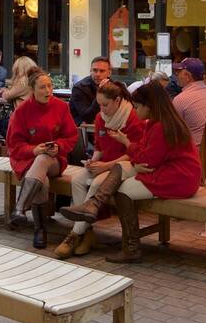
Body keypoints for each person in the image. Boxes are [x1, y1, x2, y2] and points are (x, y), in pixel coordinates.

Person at [59, 82, 201, 263]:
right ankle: (94, 208)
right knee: (119, 173)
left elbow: (146, 160)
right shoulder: (158, 122)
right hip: (169, 172)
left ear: (149, 106)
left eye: (138, 106)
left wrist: (127, 145)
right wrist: (134, 157)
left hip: (177, 178)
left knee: (123, 189)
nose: (135, 110)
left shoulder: (160, 126)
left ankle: (130, 247)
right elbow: (143, 155)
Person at [55, 81, 145, 259]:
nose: (101, 109)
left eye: (105, 105)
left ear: (117, 100)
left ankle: (75, 235)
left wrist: (106, 165)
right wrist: (93, 161)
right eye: (99, 105)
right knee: (78, 179)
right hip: (105, 163)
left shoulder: (132, 118)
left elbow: (133, 154)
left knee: (96, 183)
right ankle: (87, 232)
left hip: (125, 165)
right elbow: (99, 147)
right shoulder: (100, 118)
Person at [7, 69, 78, 249]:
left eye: (50, 86)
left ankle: (20, 208)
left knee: (43, 159)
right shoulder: (22, 111)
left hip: (54, 159)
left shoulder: (61, 107)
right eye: (42, 87)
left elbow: (71, 136)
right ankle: (40, 229)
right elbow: (14, 145)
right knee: (43, 182)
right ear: (32, 90)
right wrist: (33, 150)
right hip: (27, 159)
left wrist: (58, 146)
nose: (48, 91)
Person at [171, 57, 206, 149]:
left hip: (197, 152)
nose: (176, 75)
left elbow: (172, 131)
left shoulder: (180, 100)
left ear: (188, 76)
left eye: (179, 72)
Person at [69, 57, 112, 125]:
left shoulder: (113, 85)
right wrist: (100, 92)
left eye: (102, 71)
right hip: (83, 127)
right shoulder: (79, 88)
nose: (97, 74)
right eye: (95, 70)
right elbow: (87, 117)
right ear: (90, 71)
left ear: (109, 73)